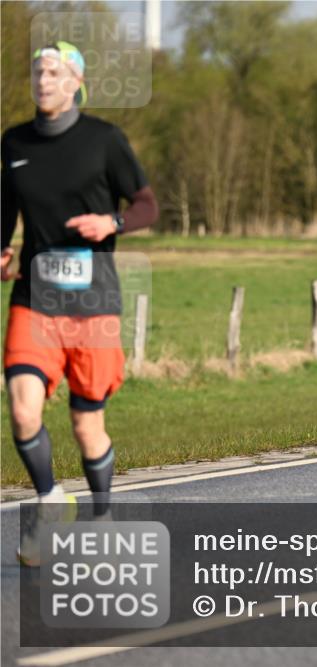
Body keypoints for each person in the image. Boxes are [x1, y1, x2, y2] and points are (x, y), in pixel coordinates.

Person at [2, 42, 158, 565]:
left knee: (85, 424)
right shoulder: (14, 141)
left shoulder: (105, 140)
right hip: (34, 300)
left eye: (54, 71)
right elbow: (6, 209)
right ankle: (49, 500)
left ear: (76, 82)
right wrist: (2, 251)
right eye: (37, 71)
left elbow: (146, 205)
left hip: (94, 304)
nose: (43, 79)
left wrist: (110, 223)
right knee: (23, 410)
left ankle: (103, 515)